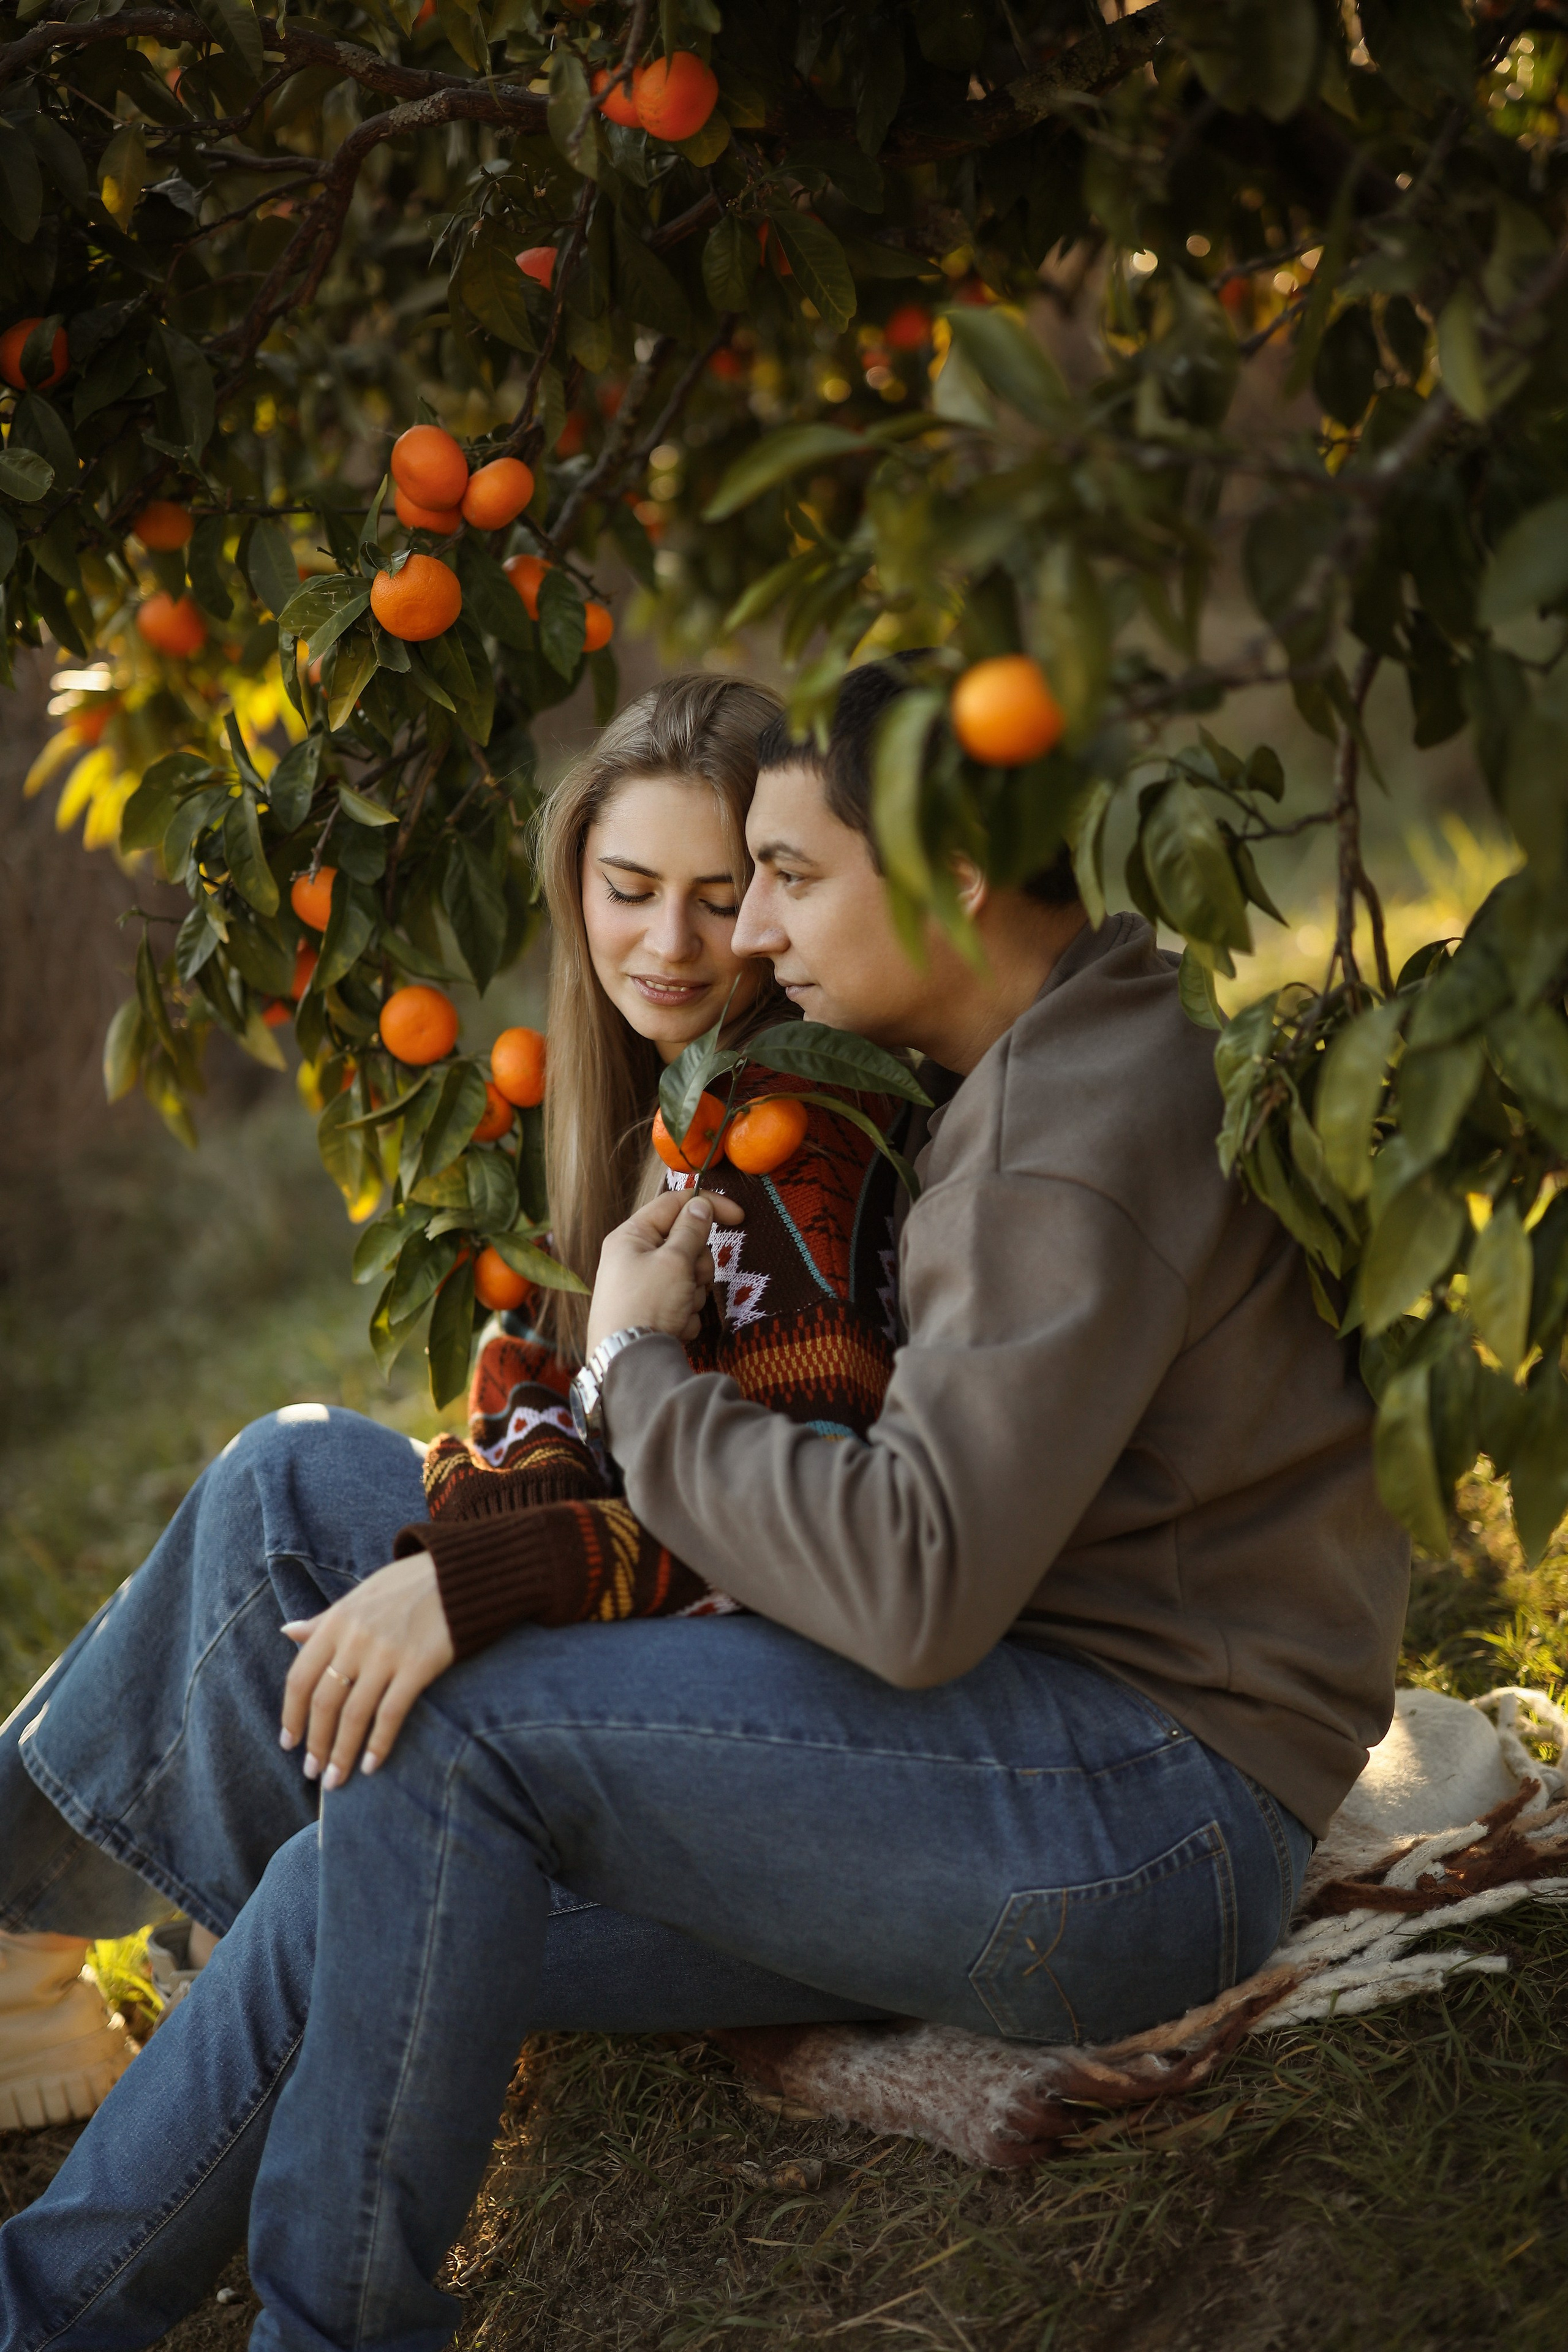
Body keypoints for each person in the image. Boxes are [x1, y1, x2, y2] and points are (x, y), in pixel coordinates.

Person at [0, 663, 1408, 2352]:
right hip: (1047, 1739)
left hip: (1142, 1812)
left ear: (955, 872)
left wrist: (627, 1392)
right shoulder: (1029, 1062)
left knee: (446, 1743)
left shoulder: (1055, 1145)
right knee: (358, 1824)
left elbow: (909, 1588)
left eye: (785, 883)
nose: (757, 938)